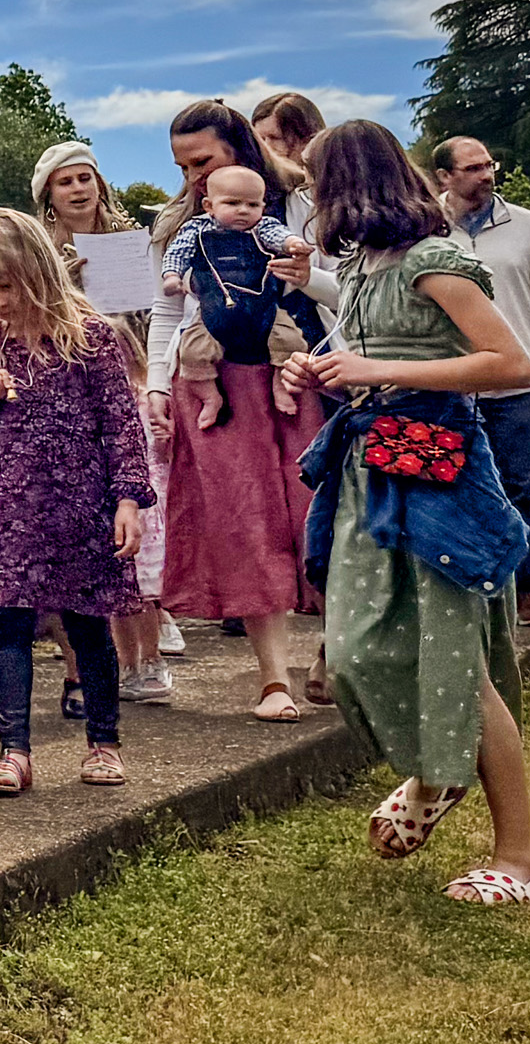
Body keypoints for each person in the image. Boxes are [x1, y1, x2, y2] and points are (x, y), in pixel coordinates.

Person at [281, 121, 530, 903]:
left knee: (460, 667)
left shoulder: (434, 261)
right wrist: (319, 368)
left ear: (346, 182)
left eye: (314, 182)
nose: (310, 197)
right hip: (370, 468)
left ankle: (519, 858)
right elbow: (370, 357)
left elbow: (511, 364)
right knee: (353, 655)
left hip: (438, 471)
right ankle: (440, 771)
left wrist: (373, 367)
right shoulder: (360, 266)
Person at [0, 211, 152, 795]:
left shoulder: (92, 338)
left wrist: (128, 500)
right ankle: (13, 750)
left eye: (4, 286)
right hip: (10, 509)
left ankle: (104, 742)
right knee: (7, 624)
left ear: (37, 271)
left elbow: (121, 425)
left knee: (88, 625)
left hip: (80, 507)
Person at [144, 101, 328, 721]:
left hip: (303, 370)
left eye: (202, 160)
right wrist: (157, 385)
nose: (192, 176)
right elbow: (168, 309)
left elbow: (344, 288)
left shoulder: (303, 207)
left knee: (316, 512)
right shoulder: (181, 223)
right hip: (215, 378)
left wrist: (307, 275)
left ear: (240, 148)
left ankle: (333, 648)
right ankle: (274, 678)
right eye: (182, 166)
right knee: (244, 517)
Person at [423, 135, 530, 627]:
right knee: (451, 481)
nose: (486, 175)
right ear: (444, 176)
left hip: (520, 379)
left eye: (488, 165)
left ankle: (529, 588)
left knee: (523, 485)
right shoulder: (426, 227)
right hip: (451, 376)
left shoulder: (529, 227)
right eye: (473, 168)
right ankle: (468, 586)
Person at [32, 138, 180, 689]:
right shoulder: (41, 252)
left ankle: (152, 640)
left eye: (84, 178)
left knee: (142, 508)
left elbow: (156, 316)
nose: (77, 189)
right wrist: (64, 284)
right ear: (48, 194)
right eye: (65, 181)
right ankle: (107, 659)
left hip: (133, 380)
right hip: (73, 392)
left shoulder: (130, 241)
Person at [159, 165, 324, 430]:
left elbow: (278, 235)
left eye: (252, 204)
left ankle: (280, 383)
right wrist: (171, 276)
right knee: (193, 351)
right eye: (233, 203)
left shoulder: (262, 227)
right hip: (214, 308)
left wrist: (293, 244)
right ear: (209, 205)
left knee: (291, 340)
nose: (243, 210)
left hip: (262, 307)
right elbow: (177, 252)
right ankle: (210, 396)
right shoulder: (196, 229)